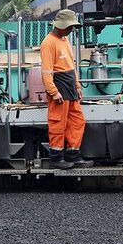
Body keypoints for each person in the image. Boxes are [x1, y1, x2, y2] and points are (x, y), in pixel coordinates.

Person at [40, 9, 93, 170]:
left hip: (69, 85)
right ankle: (56, 158)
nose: (71, 30)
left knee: (77, 121)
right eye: (69, 26)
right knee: (58, 122)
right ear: (61, 26)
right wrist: (54, 92)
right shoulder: (48, 42)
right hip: (59, 85)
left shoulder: (65, 40)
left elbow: (71, 65)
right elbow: (47, 71)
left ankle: (73, 154)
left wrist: (77, 86)